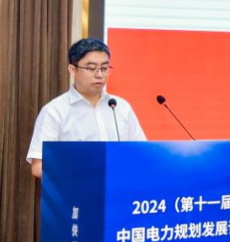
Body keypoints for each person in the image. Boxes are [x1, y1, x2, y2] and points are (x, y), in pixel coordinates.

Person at [27, 37, 146, 178]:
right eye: (91, 68)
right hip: (75, 190)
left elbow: (141, 154)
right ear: (73, 70)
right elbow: (38, 166)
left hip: (120, 188)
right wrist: (80, 174)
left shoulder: (121, 107)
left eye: (104, 68)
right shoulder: (55, 111)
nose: (99, 75)